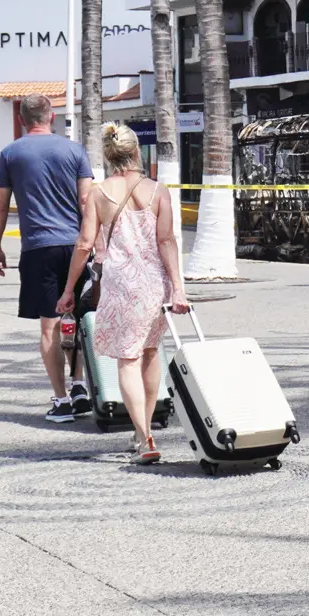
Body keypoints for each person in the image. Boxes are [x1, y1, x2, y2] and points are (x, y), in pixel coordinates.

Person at [57, 124, 189, 465]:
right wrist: (178, 287)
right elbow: (166, 241)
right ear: (135, 153)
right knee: (149, 353)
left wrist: (69, 289)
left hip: (121, 286)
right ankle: (140, 431)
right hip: (154, 286)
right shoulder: (158, 190)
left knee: (127, 361)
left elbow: (85, 244)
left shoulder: (98, 194)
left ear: (109, 155)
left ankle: (144, 437)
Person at [0, 93, 94, 424]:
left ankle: (61, 401)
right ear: (51, 117)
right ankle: (79, 386)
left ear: (22, 120)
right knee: (76, 318)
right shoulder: (75, 150)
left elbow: (0, 205)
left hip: (38, 248)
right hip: (76, 246)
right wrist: (95, 243)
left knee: (49, 325)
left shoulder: (10, 153)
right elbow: (87, 202)